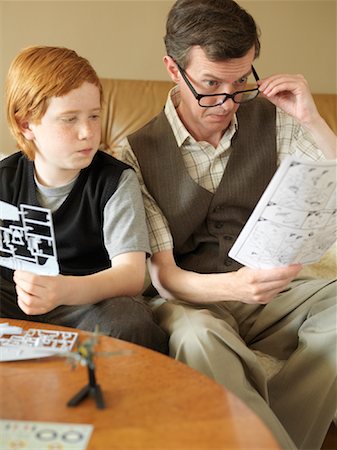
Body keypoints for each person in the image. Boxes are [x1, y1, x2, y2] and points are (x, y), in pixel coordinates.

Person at [117, 0, 337, 448]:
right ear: (173, 70)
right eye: (210, 84)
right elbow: (163, 277)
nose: (226, 101)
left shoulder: (278, 120)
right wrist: (236, 288)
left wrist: (311, 119)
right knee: (199, 340)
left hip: (274, 294)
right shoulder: (132, 154)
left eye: (241, 83)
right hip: (192, 298)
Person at [0, 45, 168, 355]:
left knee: (131, 321)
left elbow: (131, 275)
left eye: (94, 116)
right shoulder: (4, 178)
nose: (87, 132)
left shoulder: (115, 180)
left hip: (87, 303)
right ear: (27, 124)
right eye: (69, 119)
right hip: (15, 300)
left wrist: (62, 290)